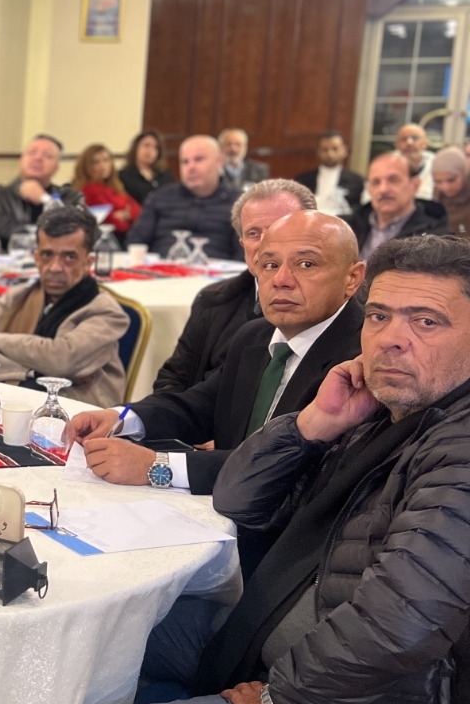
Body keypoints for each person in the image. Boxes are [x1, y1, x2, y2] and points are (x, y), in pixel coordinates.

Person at [61, 234, 470, 704]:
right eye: (379, 316)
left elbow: (399, 620)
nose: (391, 339)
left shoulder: (458, 452)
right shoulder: (388, 416)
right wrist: (313, 424)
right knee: (105, 627)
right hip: (281, 647)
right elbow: (239, 499)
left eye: (426, 321)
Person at [69, 212, 363, 539]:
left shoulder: (361, 358)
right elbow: (200, 406)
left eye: (306, 264)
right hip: (216, 514)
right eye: (269, 265)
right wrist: (123, 418)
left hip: (287, 540)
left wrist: (157, 466)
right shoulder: (254, 335)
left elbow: (292, 471)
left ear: (353, 278)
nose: (281, 279)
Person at [151, 180, 317, 394]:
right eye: (253, 233)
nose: (264, 244)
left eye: (279, 228)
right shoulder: (214, 301)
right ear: (242, 244)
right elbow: (173, 380)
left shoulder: (331, 306)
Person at [0, 207, 129, 406]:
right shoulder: (15, 299)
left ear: (88, 262)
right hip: (11, 403)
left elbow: (62, 361)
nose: (55, 267)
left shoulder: (105, 312)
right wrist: (35, 372)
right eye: (47, 255)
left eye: (69, 257)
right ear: (36, 257)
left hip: (79, 410)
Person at [126, 135, 242, 260]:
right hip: (162, 267)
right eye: (185, 162)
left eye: (198, 159)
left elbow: (245, 254)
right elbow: (135, 242)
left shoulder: (239, 203)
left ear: (219, 162)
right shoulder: (160, 197)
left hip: (218, 268)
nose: (191, 167)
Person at [0, 134, 86, 247]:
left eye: (47, 155)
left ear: (57, 167)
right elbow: (1, 230)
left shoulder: (70, 196)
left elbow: (76, 231)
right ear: (21, 160)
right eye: (32, 152)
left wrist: (45, 199)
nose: (38, 158)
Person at [347, 151, 448, 258]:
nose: (383, 189)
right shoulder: (350, 226)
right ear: (369, 189)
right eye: (376, 182)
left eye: (393, 180)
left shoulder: (436, 237)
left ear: (415, 185)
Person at [70, 143, 141, 239]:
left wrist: (126, 214)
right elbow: (115, 223)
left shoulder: (114, 186)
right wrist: (129, 214)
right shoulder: (89, 190)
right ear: (87, 166)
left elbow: (139, 210)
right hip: (112, 238)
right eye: (96, 162)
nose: (103, 166)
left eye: (106, 160)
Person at [293, 131, 364, 217]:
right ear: (318, 152)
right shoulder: (302, 180)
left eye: (335, 149)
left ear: (344, 150)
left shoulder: (356, 181)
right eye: (325, 150)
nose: (330, 154)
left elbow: (359, 211)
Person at [118, 130, 173, 206]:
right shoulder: (124, 175)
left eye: (155, 148)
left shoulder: (165, 174)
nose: (150, 151)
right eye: (146, 145)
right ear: (136, 148)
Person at [432, 147, 470, 236]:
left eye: (451, 180)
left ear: (463, 173)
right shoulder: (438, 195)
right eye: (438, 181)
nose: (445, 187)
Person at [394, 123, 435, 200]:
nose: (409, 143)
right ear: (397, 144)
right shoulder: (385, 165)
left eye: (415, 138)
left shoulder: (436, 164)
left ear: (425, 143)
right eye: (404, 139)